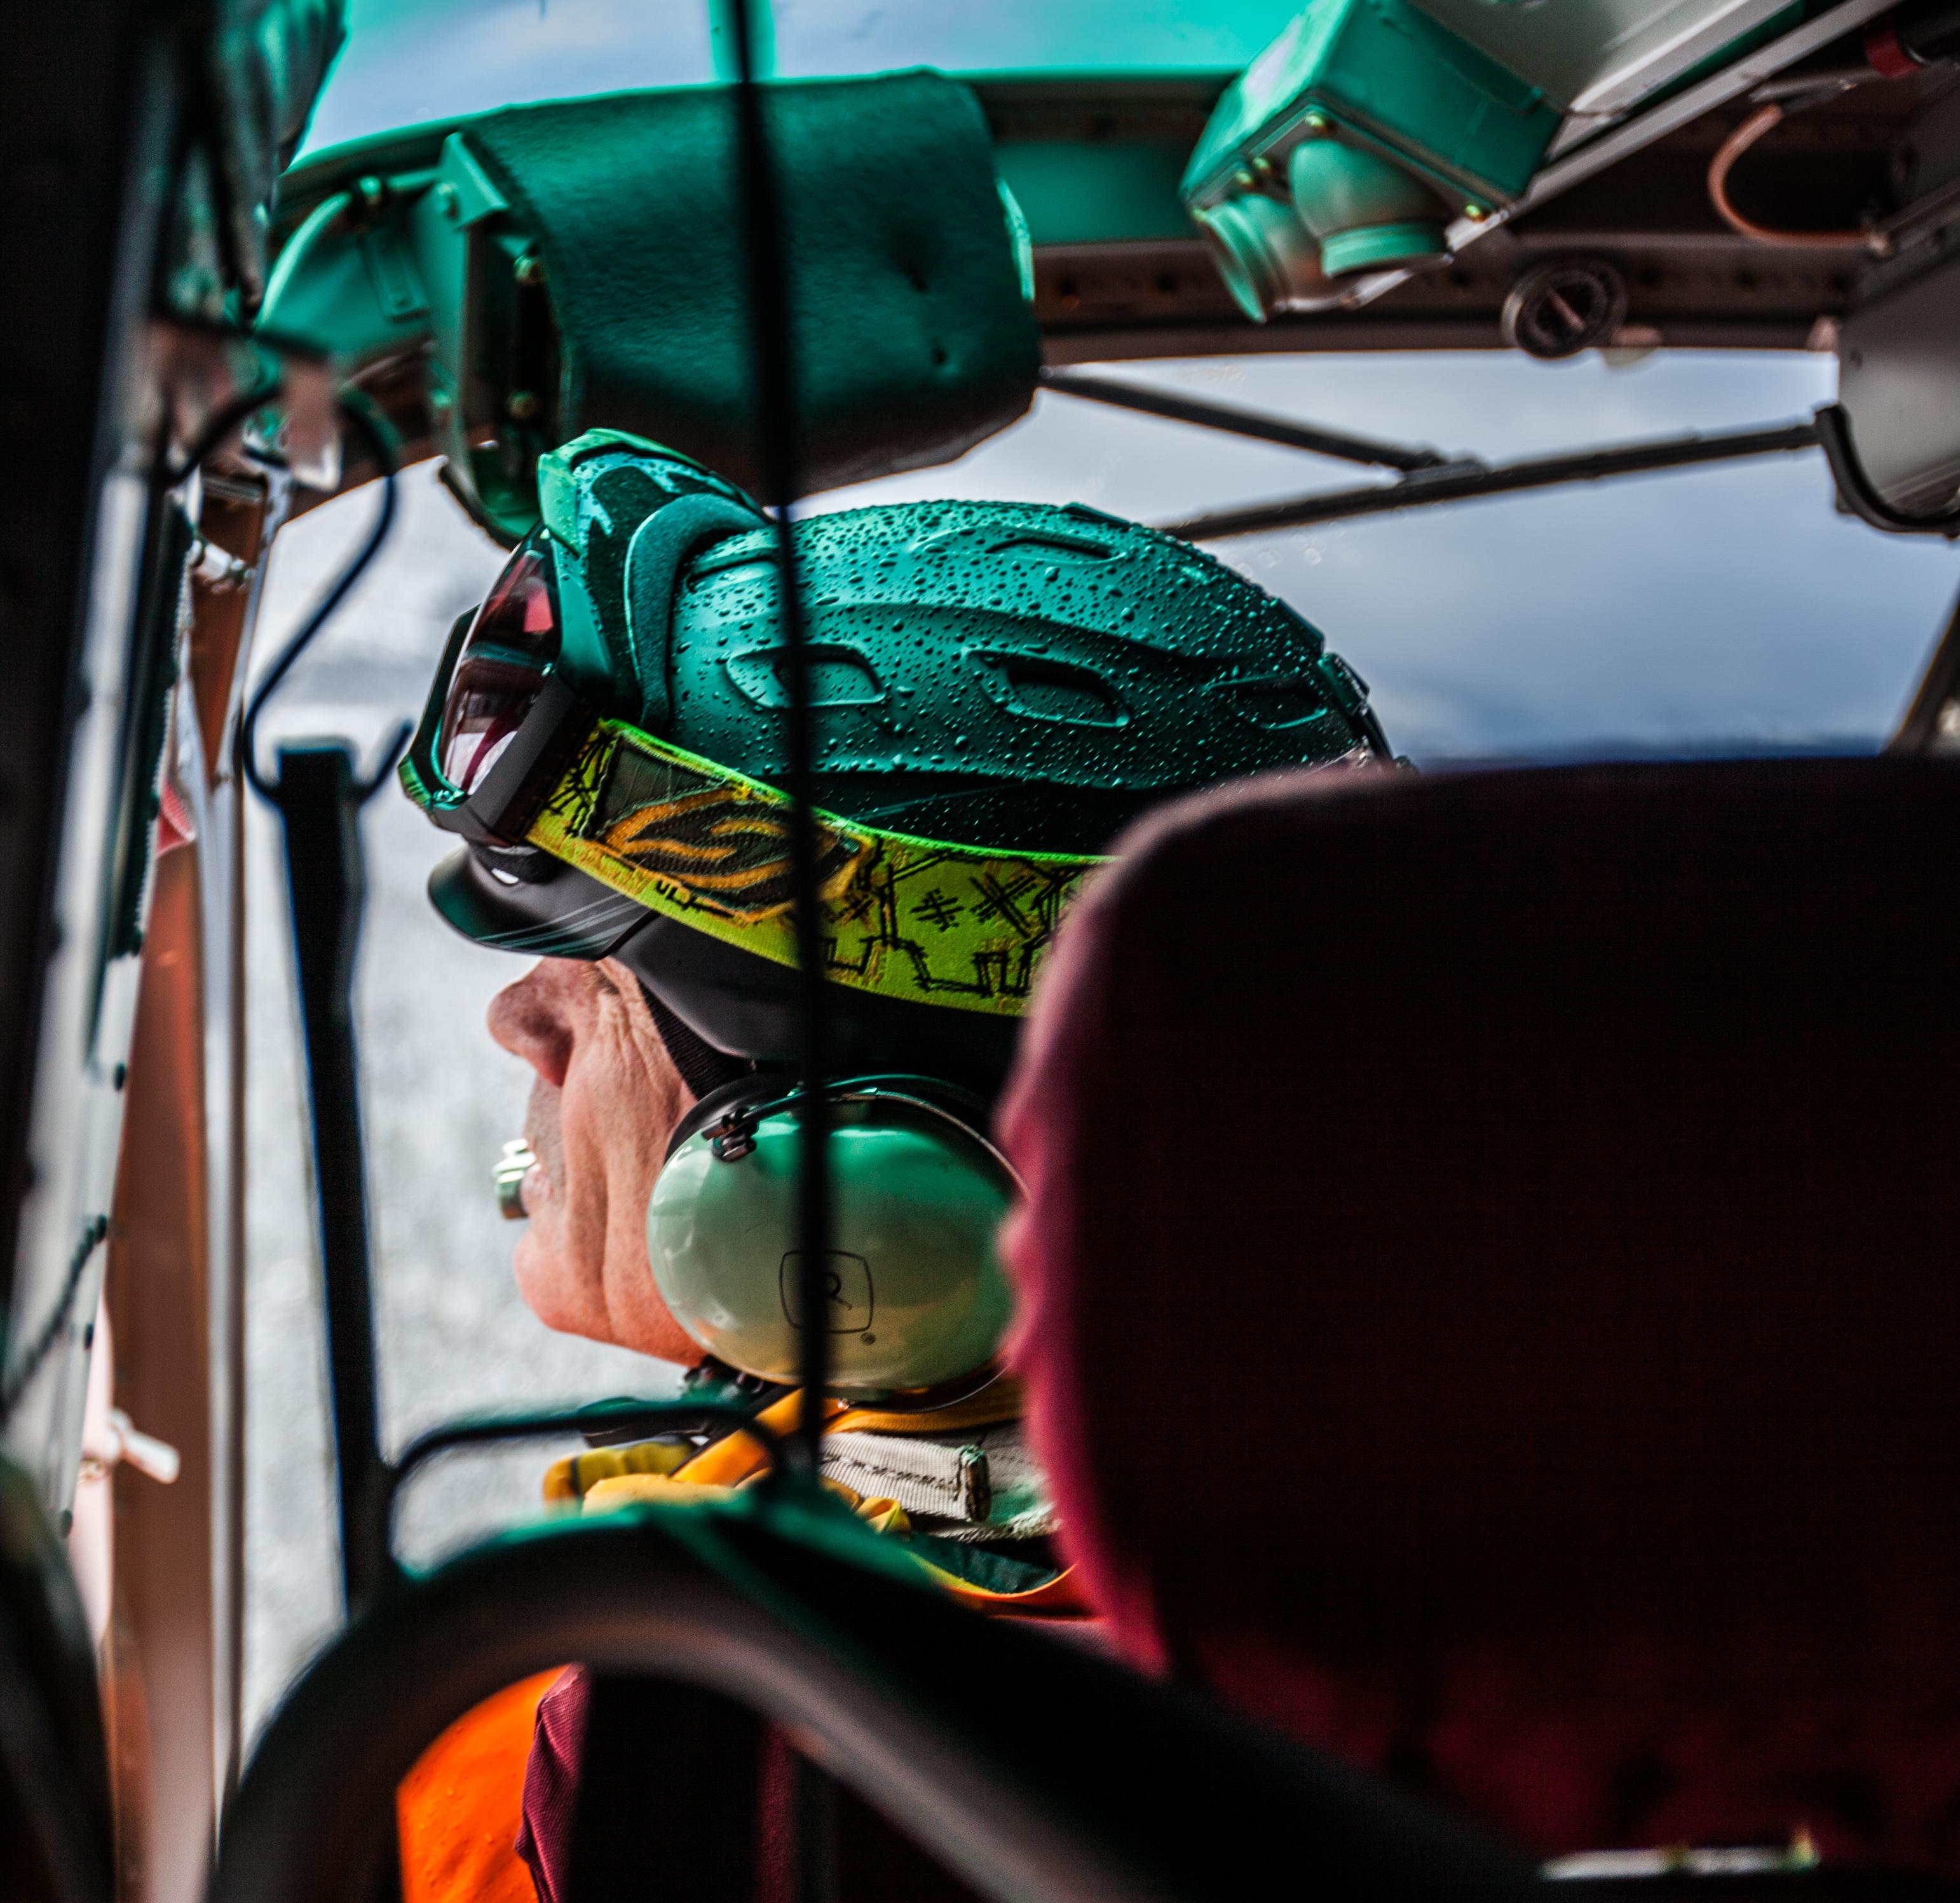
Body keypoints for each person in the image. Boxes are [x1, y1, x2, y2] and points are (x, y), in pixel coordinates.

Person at [391, 427, 1394, 1903]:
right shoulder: (1562, 1580)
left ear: (856, 1177)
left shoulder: (666, 1756)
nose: (514, 1022)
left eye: (594, 979)